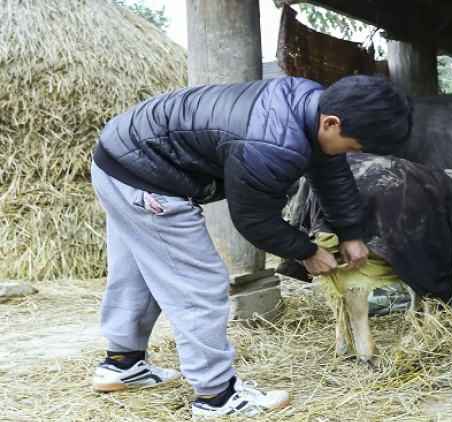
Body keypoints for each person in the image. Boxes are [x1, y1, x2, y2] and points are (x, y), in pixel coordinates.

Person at [89, 75, 413, 419]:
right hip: (145, 178)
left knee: (139, 269)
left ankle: (123, 365)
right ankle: (217, 396)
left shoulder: (310, 103)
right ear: (332, 123)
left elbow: (331, 172)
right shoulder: (273, 145)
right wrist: (306, 252)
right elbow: (254, 222)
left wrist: (350, 232)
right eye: (353, 147)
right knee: (199, 284)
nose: (352, 155)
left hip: (119, 157)